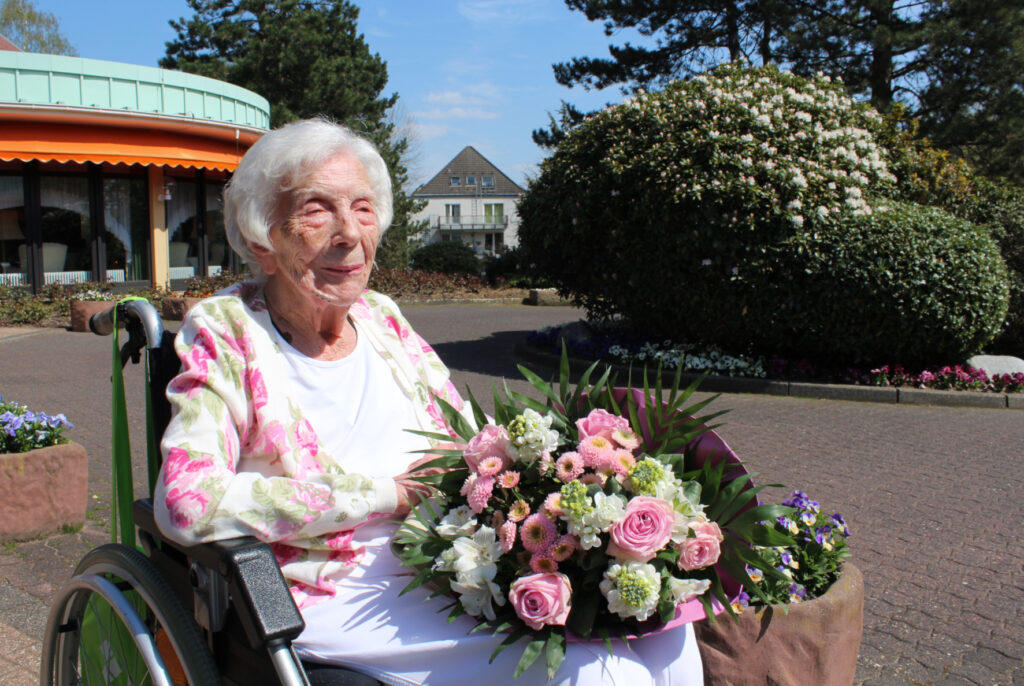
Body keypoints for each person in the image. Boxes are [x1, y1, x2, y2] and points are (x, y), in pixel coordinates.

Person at [154, 118, 704, 685]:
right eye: (317, 209)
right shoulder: (228, 331)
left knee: (666, 628)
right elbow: (189, 501)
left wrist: (578, 470)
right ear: (261, 239)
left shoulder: (380, 316)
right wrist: (385, 494)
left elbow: (466, 433)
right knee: (604, 676)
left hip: (453, 556)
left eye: (363, 208)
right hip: (335, 589)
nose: (349, 233)